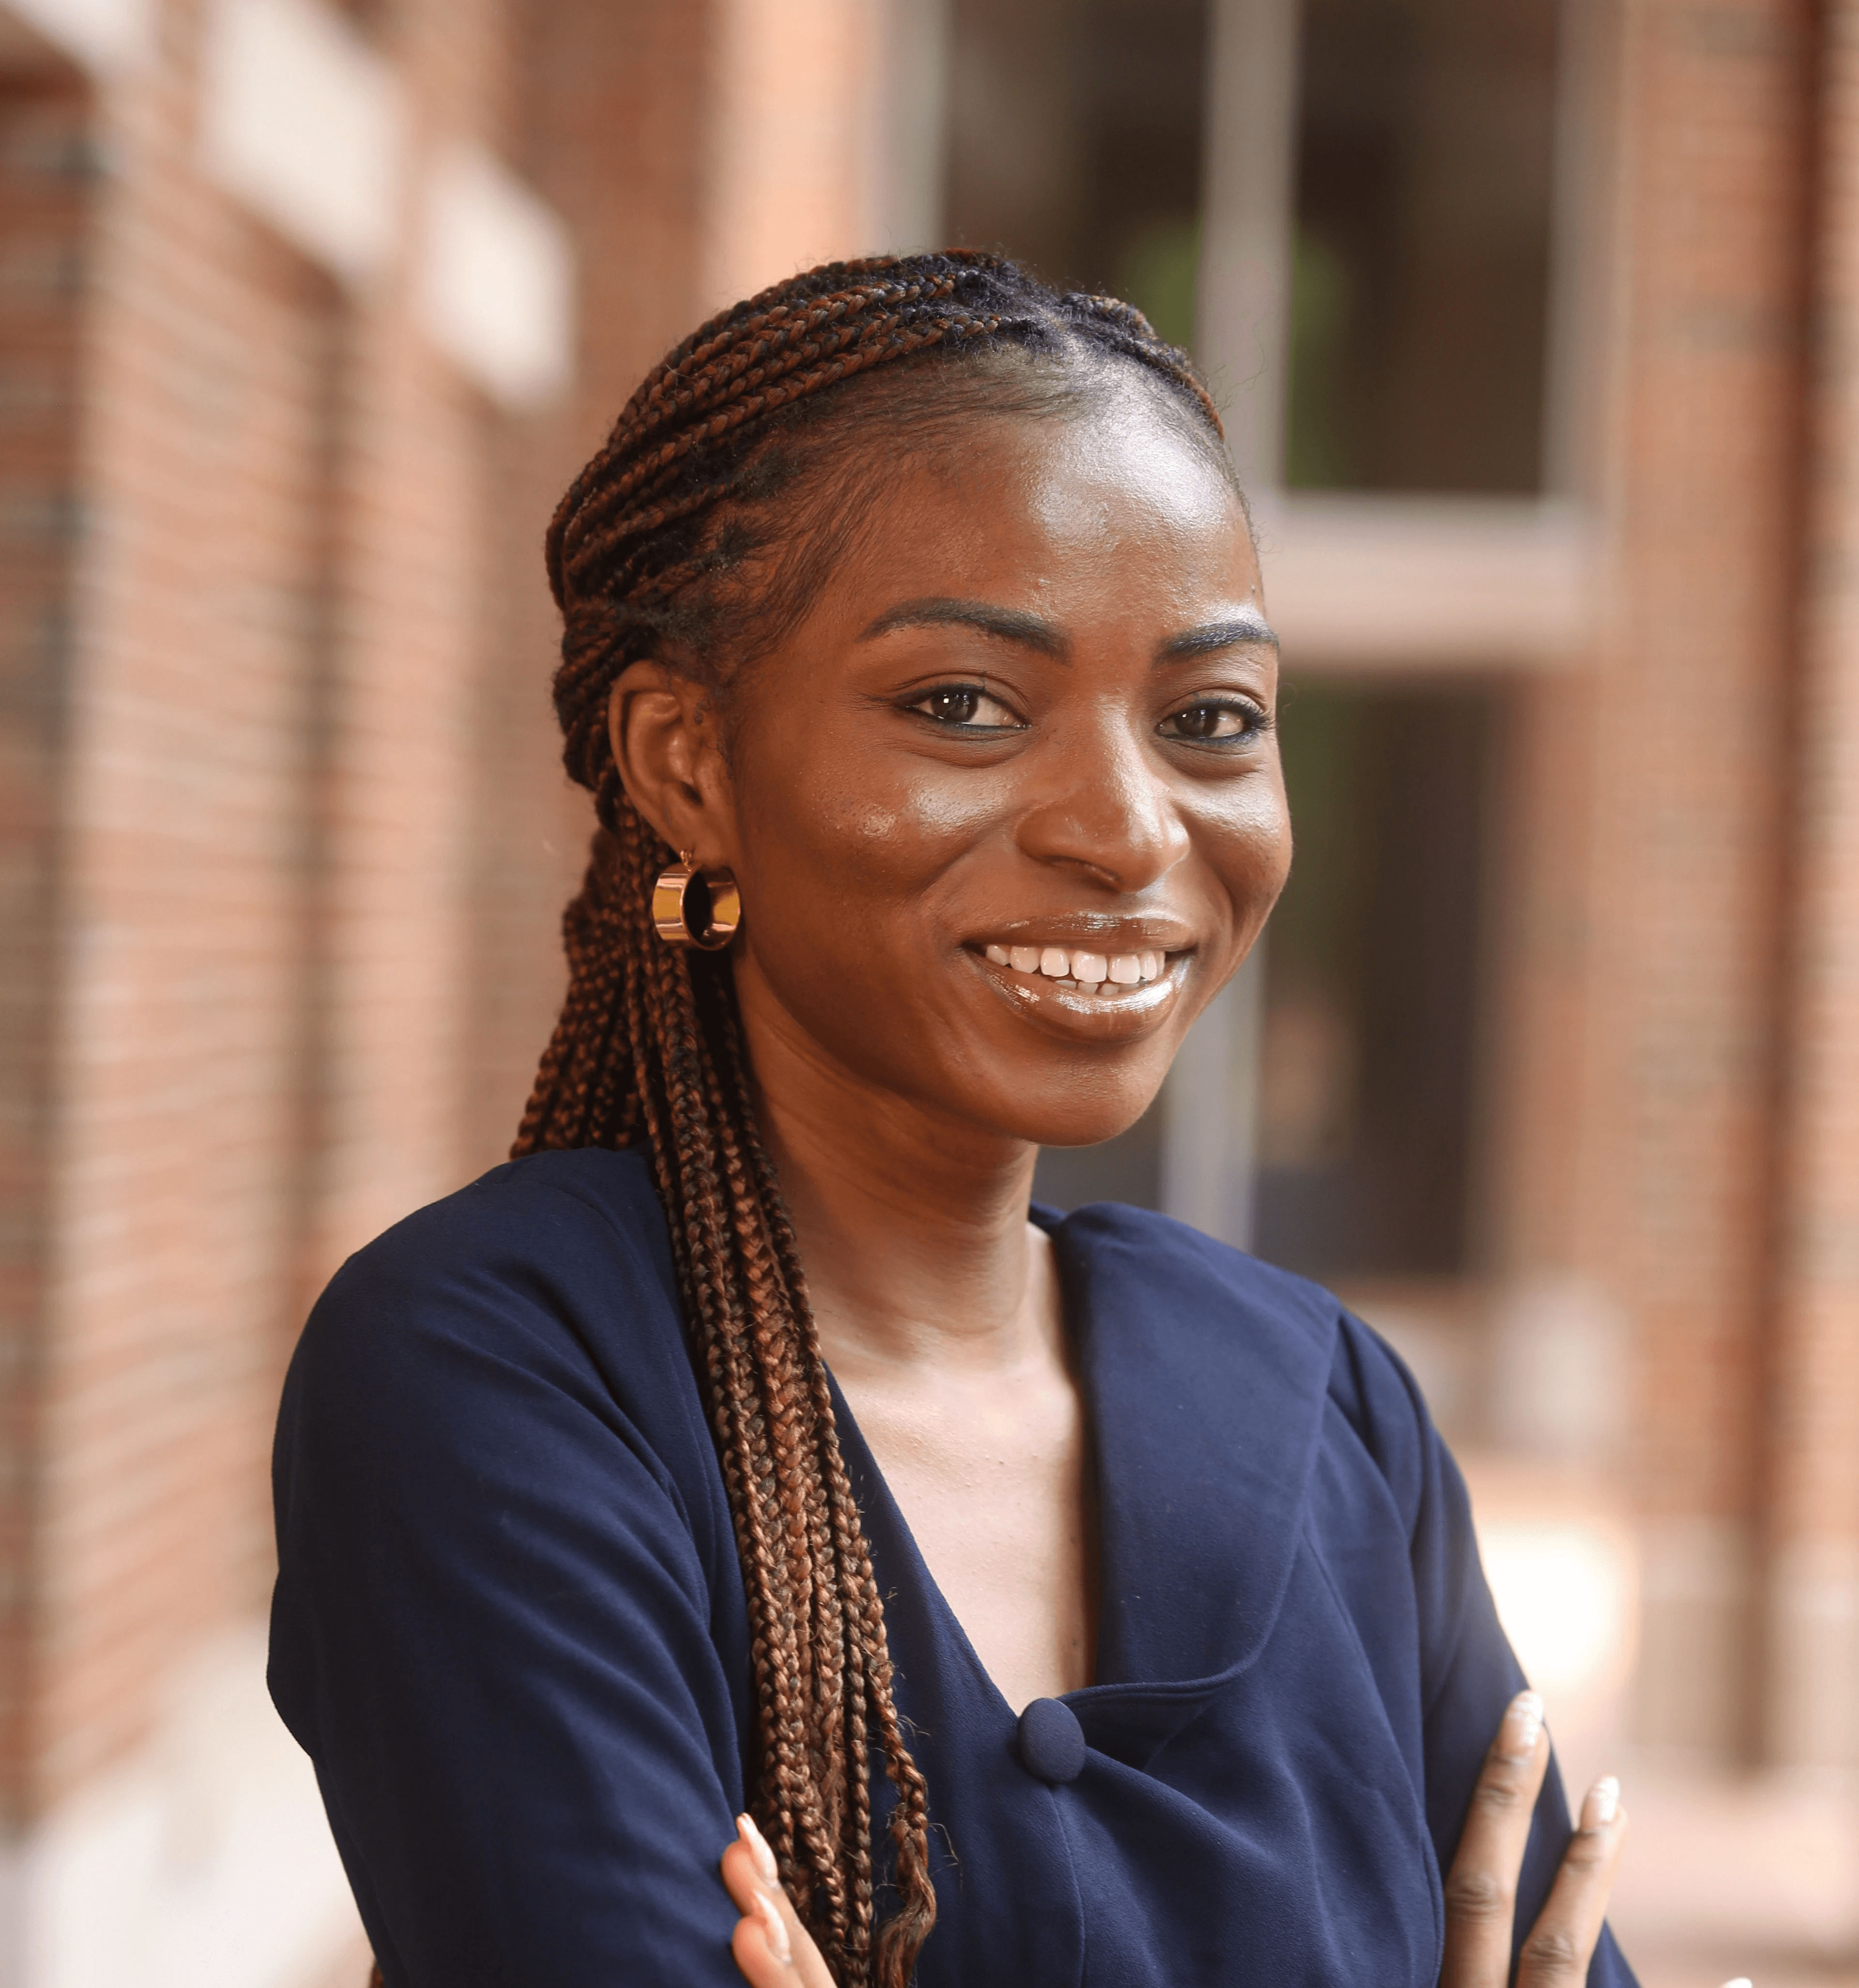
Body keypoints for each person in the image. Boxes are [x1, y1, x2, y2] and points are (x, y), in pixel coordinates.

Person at [268, 252, 1642, 1987]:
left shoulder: (1324, 1403)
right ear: (688, 766)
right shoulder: (500, 1378)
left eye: (1212, 720)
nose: (1132, 831)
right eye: (965, 708)